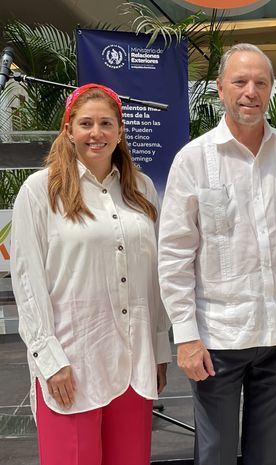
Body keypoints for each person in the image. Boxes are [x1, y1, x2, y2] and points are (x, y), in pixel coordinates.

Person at [158, 43, 276, 465]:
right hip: (217, 338)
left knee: (269, 456)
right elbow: (175, 256)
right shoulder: (193, 160)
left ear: (271, 89)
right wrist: (185, 335)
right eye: (240, 81)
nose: (250, 91)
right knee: (214, 455)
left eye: (260, 82)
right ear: (220, 88)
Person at [11, 83, 171, 465]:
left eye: (105, 123)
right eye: (85, 124)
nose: (95, 133)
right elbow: (27, 284)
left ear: (120, 131)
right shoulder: (40, 192)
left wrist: (160, 350)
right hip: (72, 364)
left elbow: (156, 278)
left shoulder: (143, 190)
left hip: (134, 363)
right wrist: (50, 360)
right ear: (68, 130)